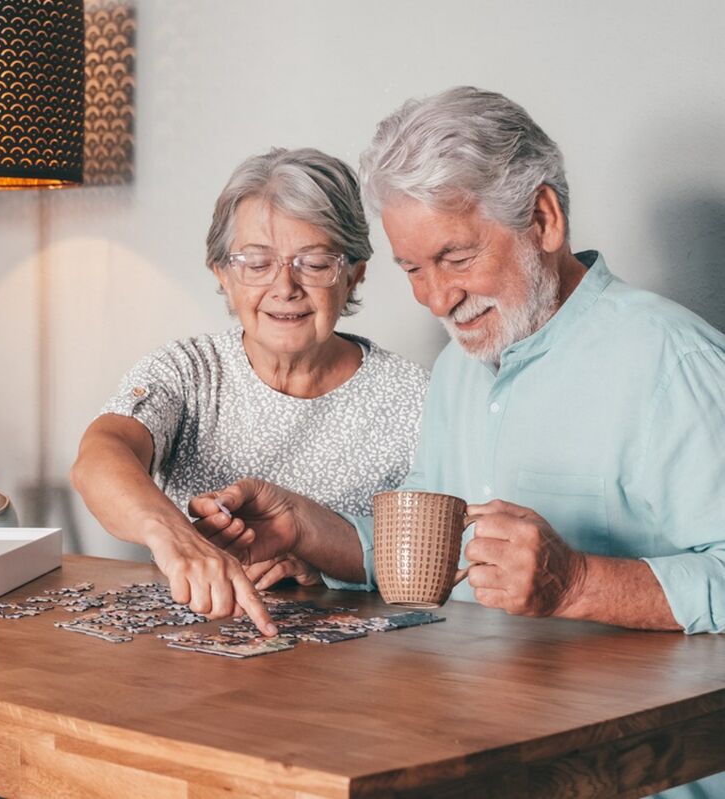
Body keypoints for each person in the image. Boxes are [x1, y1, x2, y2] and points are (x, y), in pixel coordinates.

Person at [191, 87, 724, 798]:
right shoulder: (458, 368)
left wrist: (579, 582)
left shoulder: (674, 361)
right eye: (413, 268)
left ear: (543, 218)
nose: (435, 298)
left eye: (454, 256)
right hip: (479, 760)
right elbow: (427, 560)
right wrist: (303, 527)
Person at [70, 148, 429, 634]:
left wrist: (326, 571)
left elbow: (440, 570)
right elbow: (100, 455)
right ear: (223, 273)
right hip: (193, 652)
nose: (285, 287)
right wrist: (178, 539)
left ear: (354, 273)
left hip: (363, 677)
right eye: (256, 263)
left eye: (315, 262)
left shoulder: (418, 397)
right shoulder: (187, 370)